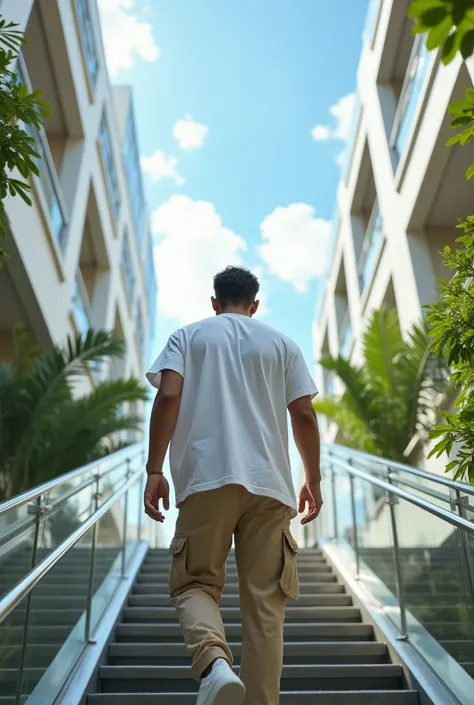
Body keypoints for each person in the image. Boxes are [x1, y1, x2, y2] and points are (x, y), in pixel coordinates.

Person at [144, 266, 323, 705]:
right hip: (271, 489)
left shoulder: (188, 336)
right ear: (254, 305)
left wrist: (154, 469)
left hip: (206, 480)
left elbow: (167, 397)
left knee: (194, 585)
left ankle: (214, 664)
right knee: (265, 609)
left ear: (214, 302)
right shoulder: (282, 344)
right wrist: (312, 479)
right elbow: (303, 414)